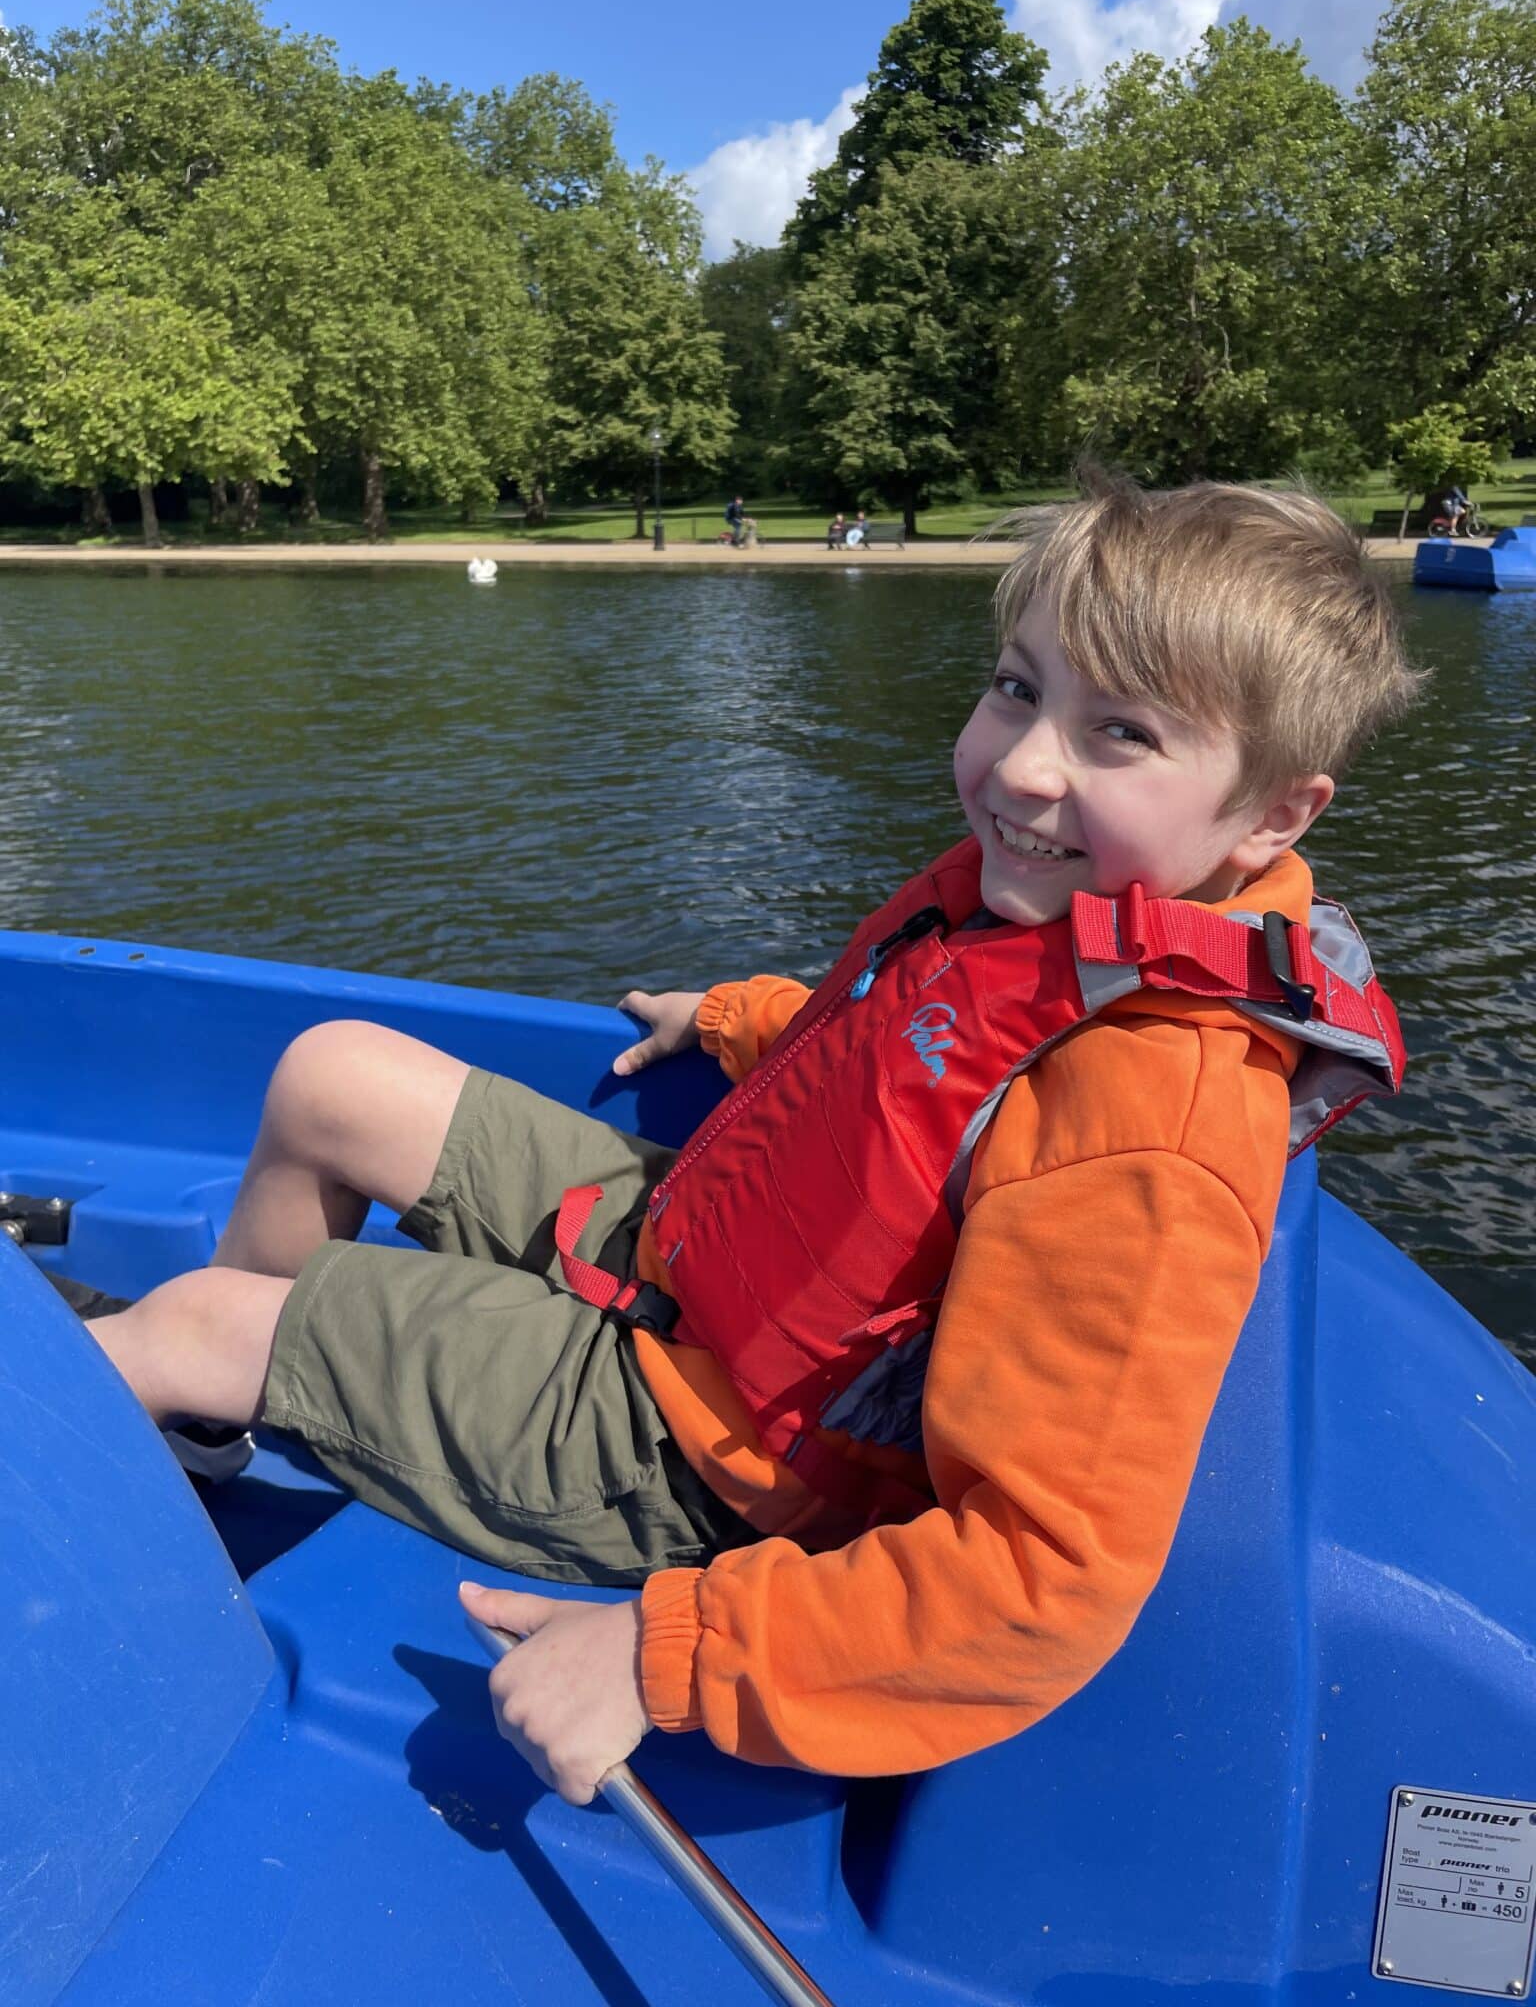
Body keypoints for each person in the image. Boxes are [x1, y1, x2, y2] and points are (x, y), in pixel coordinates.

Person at [81, 472, 1419, 1808]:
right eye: (1019, 687)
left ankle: (169, 1400)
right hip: (692, 1254)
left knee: (204, 1318)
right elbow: (901, 1064)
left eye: (1119, 732)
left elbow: (1042, 1577)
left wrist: (672, 1656)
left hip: (720, 1455)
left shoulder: (1156, 1136)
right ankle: (217, 1444)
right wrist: (734, 1018)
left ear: (1272, 815)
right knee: (333, 1075)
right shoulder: (1057, 908)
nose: (1023, 764)